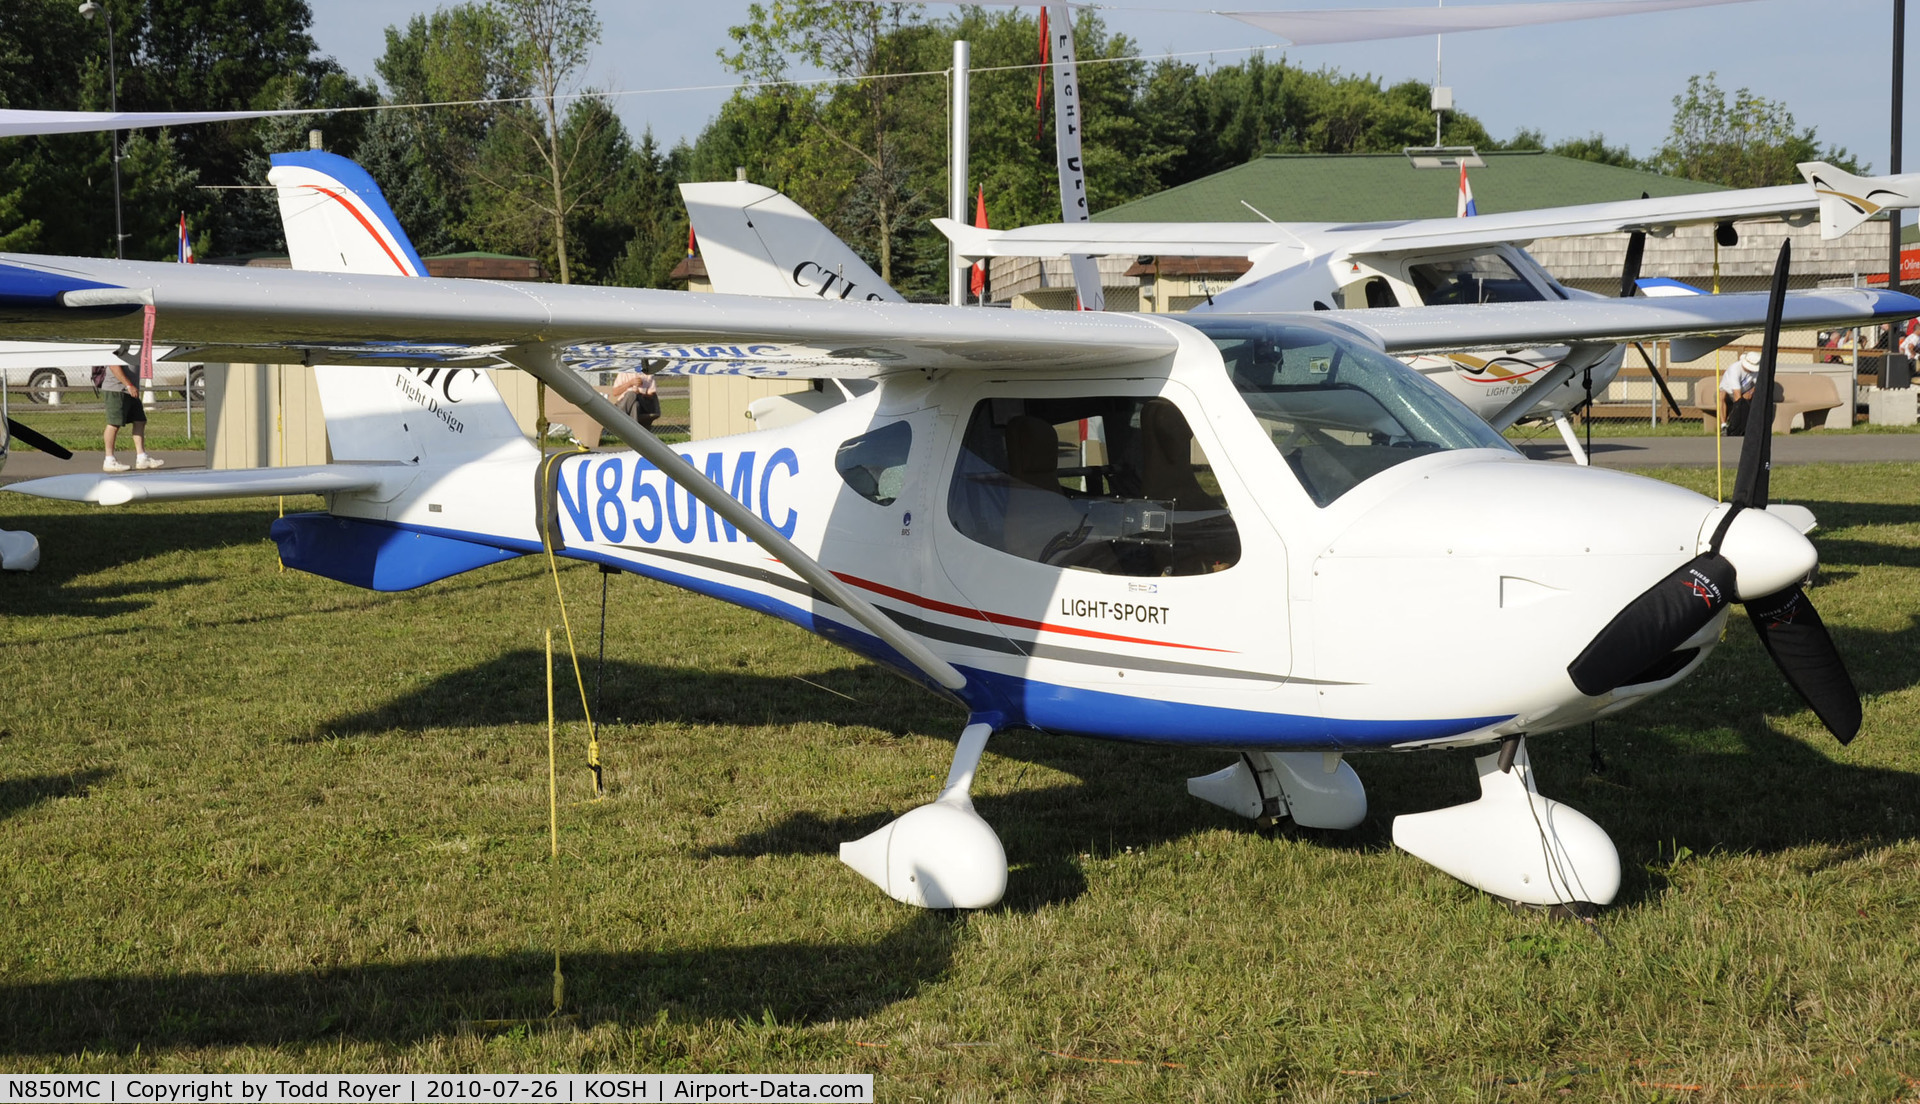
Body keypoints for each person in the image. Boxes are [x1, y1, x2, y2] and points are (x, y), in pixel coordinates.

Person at [97, 355, 162, 472]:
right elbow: (113, 365)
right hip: (117, 389)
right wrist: (129, 385)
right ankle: (109, 460)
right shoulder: (117, 345)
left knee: (140, 420)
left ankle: (142, 458)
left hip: (131, 389)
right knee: (114, 423)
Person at [608, 362, 661, 428]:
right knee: (636, 404)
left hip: (643, 404)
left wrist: (639, 394)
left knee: (632, 394)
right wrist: (630, 383)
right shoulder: (624, 373)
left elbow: (651, 395)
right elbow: (615, 392)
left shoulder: (648, 374)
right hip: (624, 402)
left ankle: (619, 415)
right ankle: (634, 432)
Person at [1718, 351, 1759, 436]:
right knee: (1721, 397)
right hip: (1729, 390)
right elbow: (1737, 395)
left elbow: (1759, 384)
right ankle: (1724, 425)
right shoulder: (1734, 369)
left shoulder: (1756, 371)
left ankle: (1749, 426)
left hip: (1745, 390)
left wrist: (1750, 392)